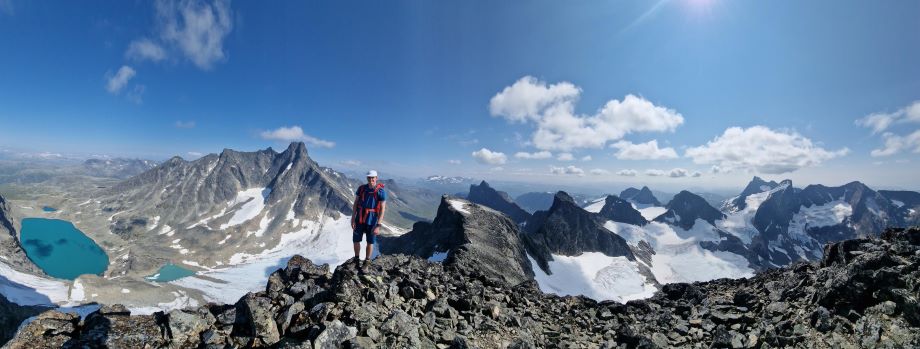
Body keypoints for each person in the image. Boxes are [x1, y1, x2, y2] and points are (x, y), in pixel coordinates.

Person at [352, 170, 386, 268]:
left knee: (370, 242)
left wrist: (378, 225)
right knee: (356, 240)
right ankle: (357, 259)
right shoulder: (362, 189)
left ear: (376, 178)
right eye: (369, 178)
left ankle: (367, 262)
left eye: (373, 178)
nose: (371, 179)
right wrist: (353, 219)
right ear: (367, 178)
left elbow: (383, 209)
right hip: (360, 219)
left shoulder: (381, 192)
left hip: (372, 221)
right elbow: (355, 204)